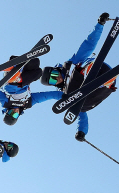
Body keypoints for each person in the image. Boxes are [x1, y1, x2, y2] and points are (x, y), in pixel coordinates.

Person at [39, 12, 115, 141]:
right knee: (75, 102)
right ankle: (106, 84)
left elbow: (88, 45)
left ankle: (91, 72)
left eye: (54, 74)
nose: (56, 78)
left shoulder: (71, 64)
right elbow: (44, 96)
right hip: (96, 93)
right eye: (52, 80)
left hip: (97, 69)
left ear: (57, 69)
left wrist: (100, 24)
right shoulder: (64, 94)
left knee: (75, 75)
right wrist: (81, 131)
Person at [0, 57, 63, 126]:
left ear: (8, 111)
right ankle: (16, 66)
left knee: (11, 86)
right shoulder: (27, 103)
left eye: (11, 112)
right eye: (15, 115)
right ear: (18, 116)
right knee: (37, 68)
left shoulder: (6, 103)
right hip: (24, 80)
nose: (15, 112)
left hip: (12, 85)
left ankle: (12, 70)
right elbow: (46, 96)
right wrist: (63, 96)